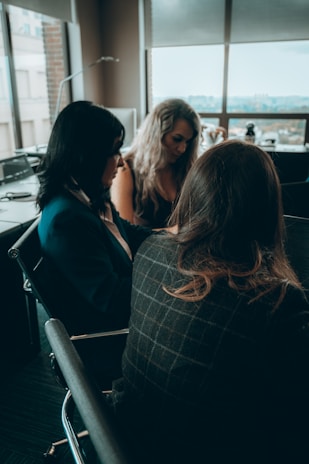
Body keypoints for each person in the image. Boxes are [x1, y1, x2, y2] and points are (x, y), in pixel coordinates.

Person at [111, 140, 309, 463]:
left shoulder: (150, 251)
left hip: (127, 431)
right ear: (266, 207)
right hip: (197, 450)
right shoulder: (277, 301)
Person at [36, 101, 152, 337]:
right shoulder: (66, 220)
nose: (121, 161)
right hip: (110, 336)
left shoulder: (86, 195)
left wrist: (173, 237)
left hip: (125, 315)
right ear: (89, 155)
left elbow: (125, 232)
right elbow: (111, 300)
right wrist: (166, 281)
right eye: (115, 151)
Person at [110, 98, 202, 228]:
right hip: (145, 248)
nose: (182, 149)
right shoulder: (126, 170)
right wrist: (175, 232)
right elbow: (125, 232)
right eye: (177, 139)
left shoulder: (186, 168)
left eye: (188, 142)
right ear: (156, 134)